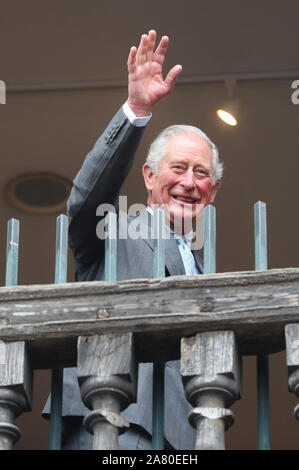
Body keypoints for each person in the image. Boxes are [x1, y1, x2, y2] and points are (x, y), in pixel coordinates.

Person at [43, 30, 223, 450]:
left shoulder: (203, 266)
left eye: (202, 174)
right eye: (178, 168)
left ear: (212, 192)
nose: (189, 183)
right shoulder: (113, 232)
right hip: (113, 428)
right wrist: (137, 109)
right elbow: (86, 197)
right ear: (149, 176)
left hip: (183, 442)